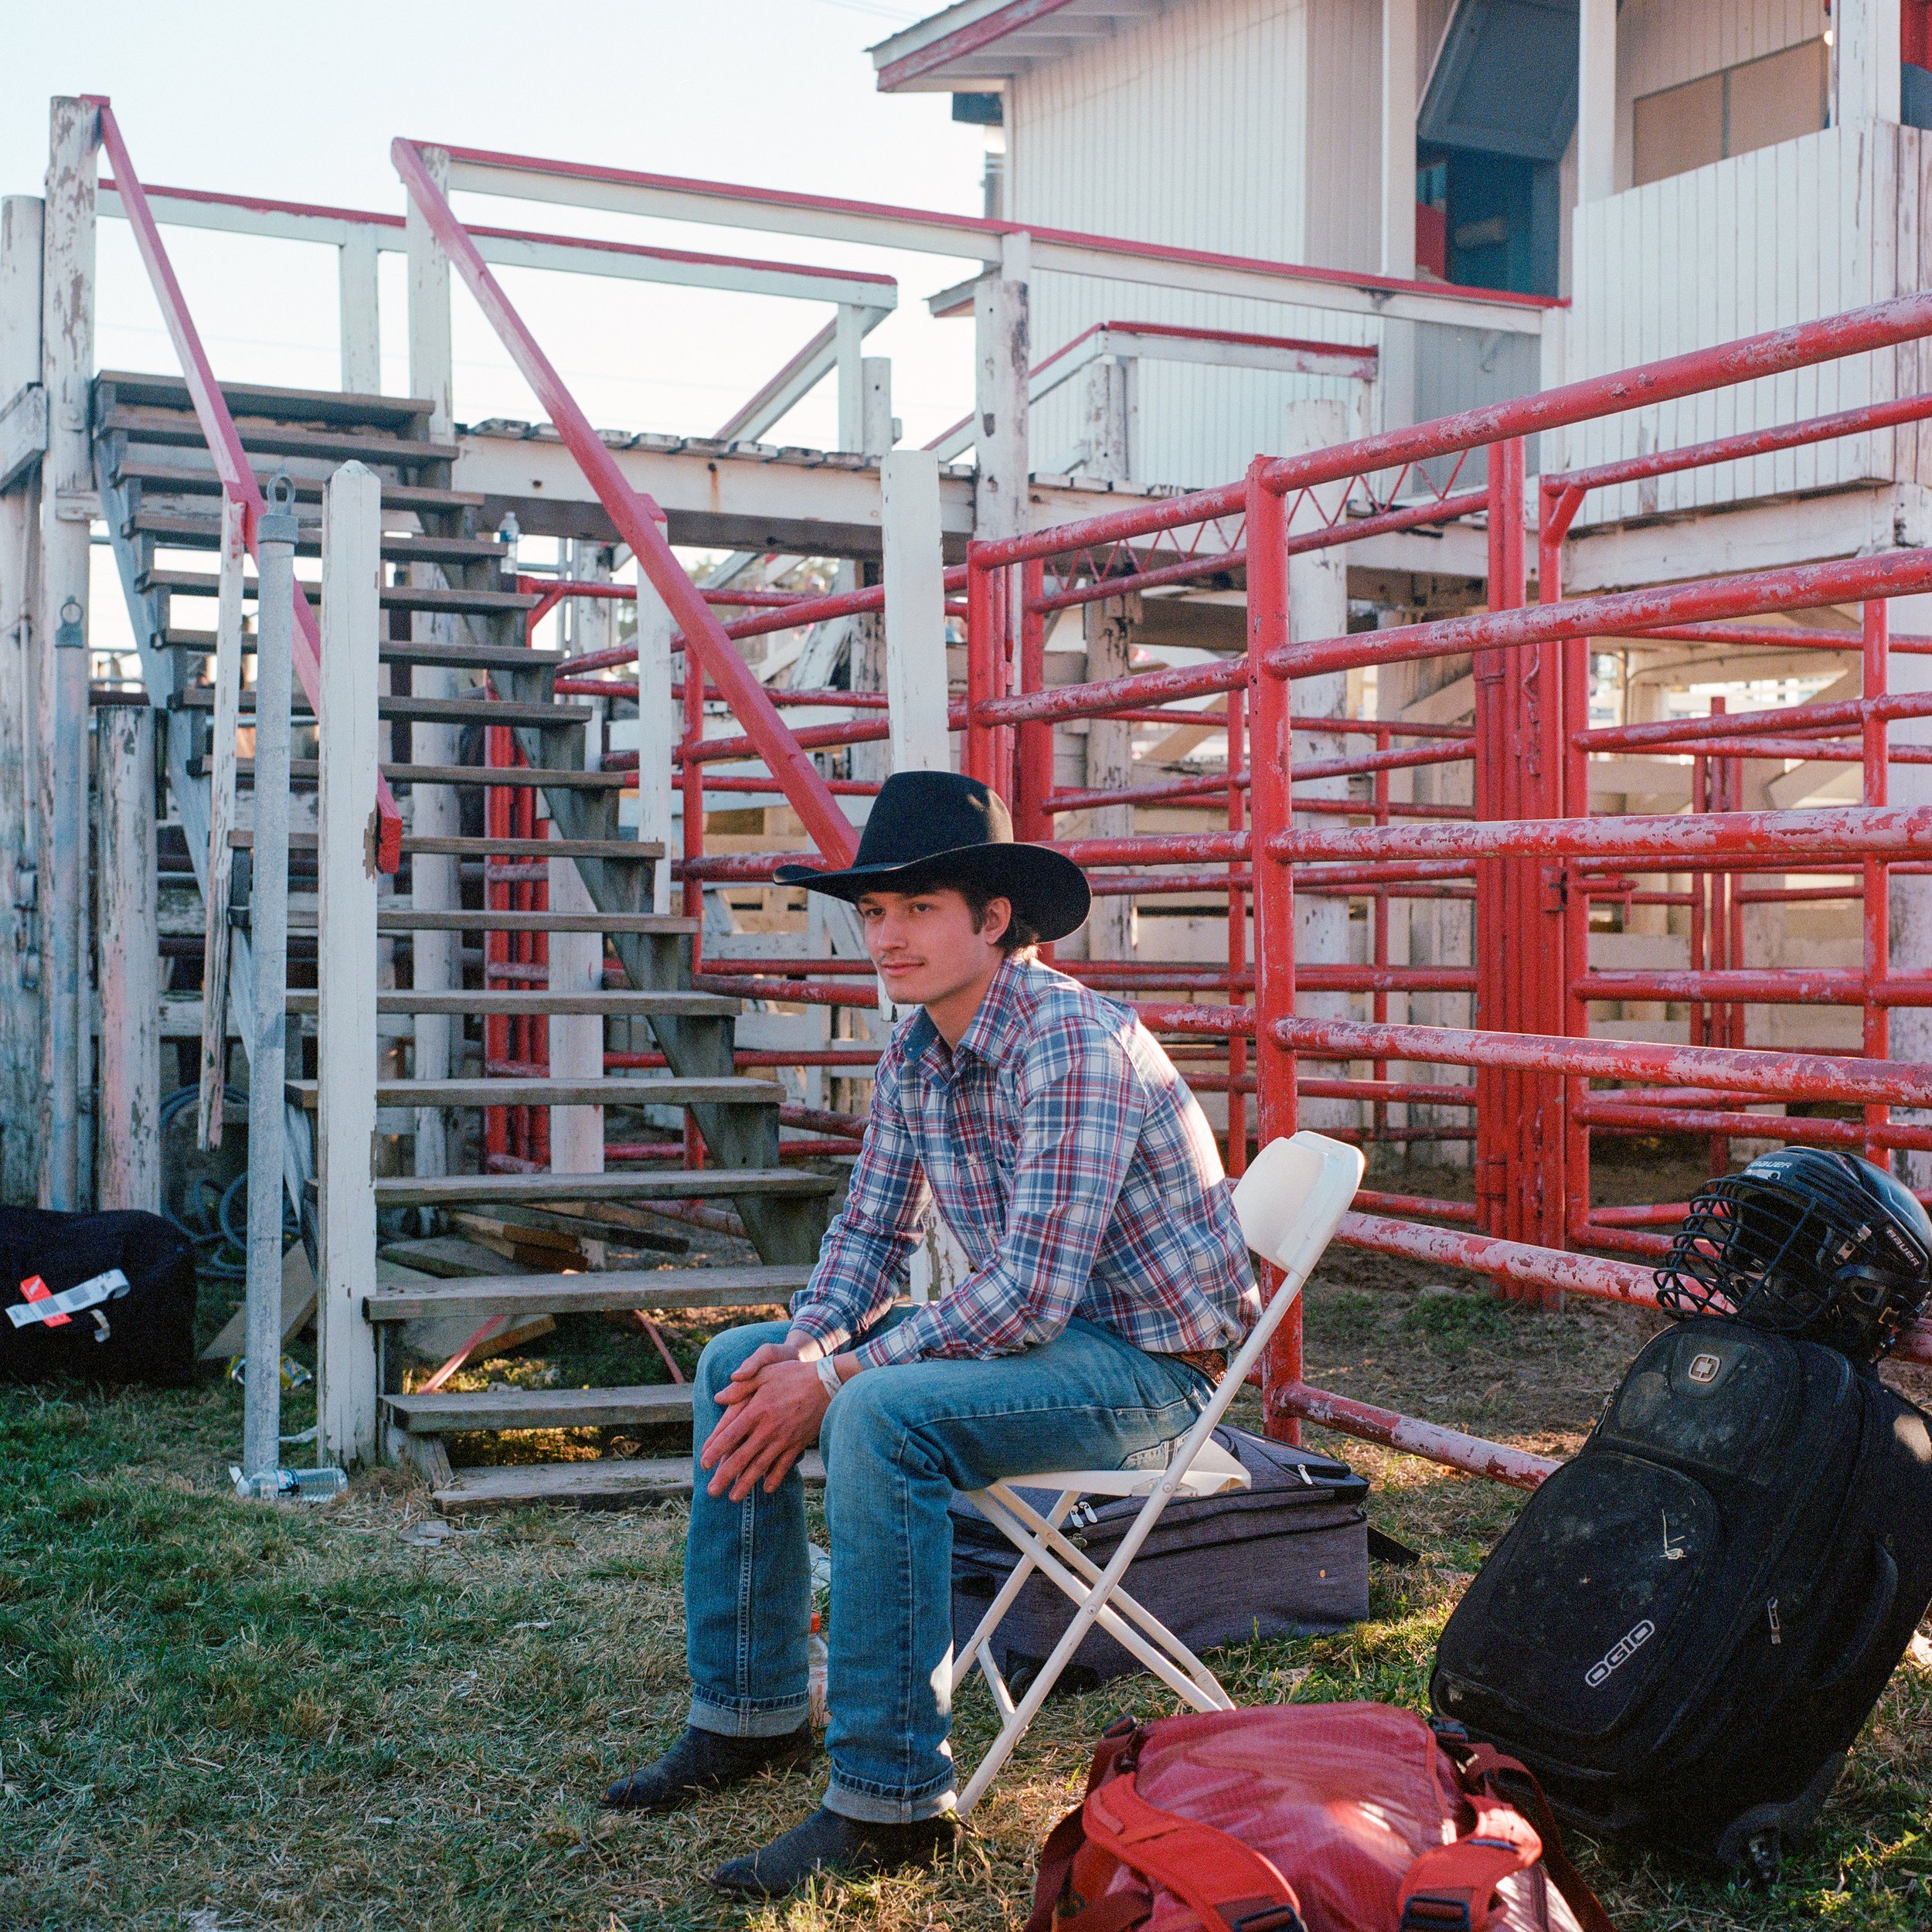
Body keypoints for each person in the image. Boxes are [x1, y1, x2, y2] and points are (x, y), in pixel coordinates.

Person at [604, 770, 1258, 1897]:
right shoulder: (917, 1046)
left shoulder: (1074, 1043)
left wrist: (844, 1375)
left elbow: (1031, 1295)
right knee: (735, 1365)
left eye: (917, 910)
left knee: (876, 1415)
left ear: (994, 921)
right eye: (873, 913)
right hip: (1045, 1353)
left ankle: (893, 1798)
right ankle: (752, 1711)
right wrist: (807, 1347)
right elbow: (866, 1231)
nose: (887, 938)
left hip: (1153, 1376)